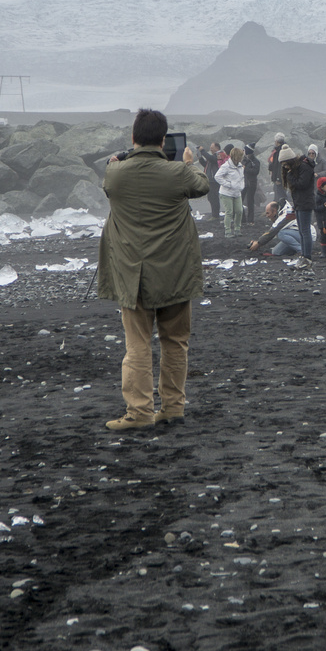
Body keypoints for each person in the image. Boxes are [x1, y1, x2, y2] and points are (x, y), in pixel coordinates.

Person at [95, 108, 211, 430]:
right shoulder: (179, 173)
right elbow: (202, 186)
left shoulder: (115, 173)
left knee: (138, 345)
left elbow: (110, 185)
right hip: (175, 272)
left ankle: (140, 412)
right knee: (175, 341)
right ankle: (173, 407)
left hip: (134, 274)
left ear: (133, 138)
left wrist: (118, 162)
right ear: (163, 140)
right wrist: (189, 161)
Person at [280, 145, 318, 259]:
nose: (285, 168)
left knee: (305, 231)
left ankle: (307, 257)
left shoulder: (304, 167)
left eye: (286, 165)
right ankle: (304, 255)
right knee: (302, 231)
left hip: (305, 202)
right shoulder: (300, 168)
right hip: (300, 203)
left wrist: (290, 176)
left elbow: (302, 184)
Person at [216, 145, 247, 236]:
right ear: (236, 156)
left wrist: (242, 186)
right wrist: (228, 184)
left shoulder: (240, 166)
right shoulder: (226, 166)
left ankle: (237, 229)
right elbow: (217, 176)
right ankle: (228, 231)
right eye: (241, 156)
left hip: (237, 192)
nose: (242, 158)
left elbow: (241, 178)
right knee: (229, 212)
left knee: (239, 211)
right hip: (226, 193)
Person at [240, 144, 263, 212]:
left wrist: (245, 168)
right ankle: (242, 218)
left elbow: (256, 171)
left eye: (245, 150)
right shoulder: (243, 159)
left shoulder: (255, 161)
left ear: (248, 151)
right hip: (243, 182)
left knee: (250, 201)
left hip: (251, 183)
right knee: (240, 200)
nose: (243, 151)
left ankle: (251, 220)